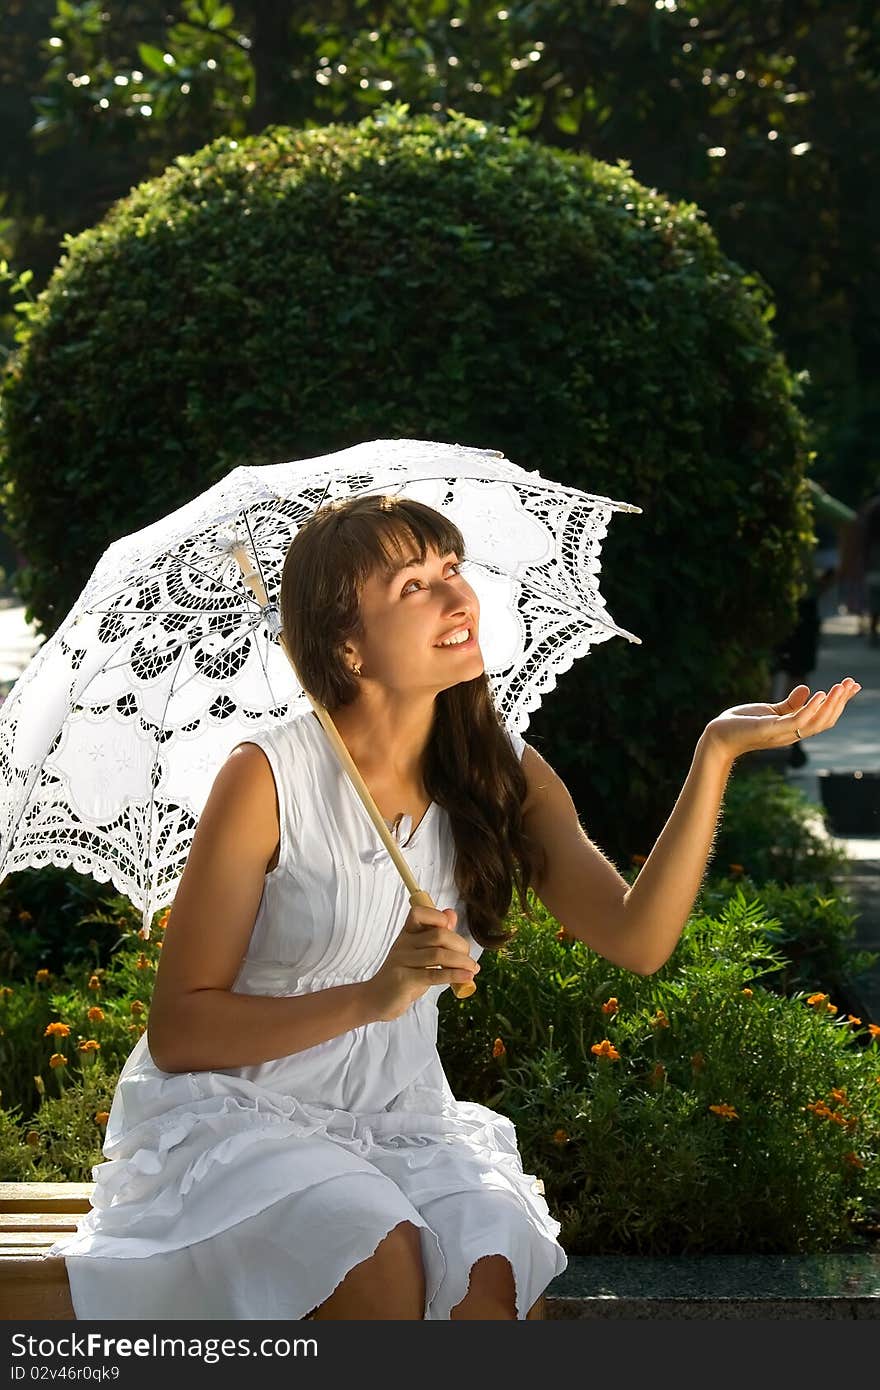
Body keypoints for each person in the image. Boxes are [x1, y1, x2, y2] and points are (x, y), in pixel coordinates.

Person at [49, 493, 861, 1320]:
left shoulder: (499, 769)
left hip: (395, 1119)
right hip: (237, 1117)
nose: (456, 597)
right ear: (347, 646)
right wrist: (372, 997)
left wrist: (714, 754)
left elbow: (638, 939)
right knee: (377, 1256)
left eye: (451, 569)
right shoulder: (267, 778)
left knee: (487, 1270)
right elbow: (183, 1034)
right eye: (412, 587)